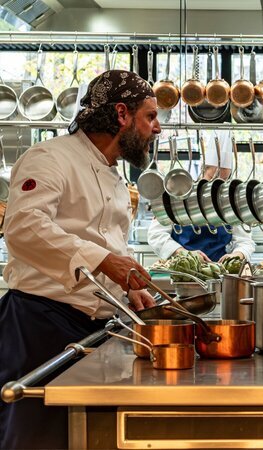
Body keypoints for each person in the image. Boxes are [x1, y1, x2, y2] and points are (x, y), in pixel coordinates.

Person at [0, 70, 159, 449]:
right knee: (34, 436)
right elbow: (23, 227)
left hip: (91, 325)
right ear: (122, 114)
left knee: (79, 437)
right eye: (150, 116)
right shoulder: (49, 158)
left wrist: (125, 288)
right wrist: (104, 262)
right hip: (38, 324)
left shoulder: (114, 175)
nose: (157, 129)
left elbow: (102, 241)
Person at [147, 131, 255, 263]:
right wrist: (183, 253)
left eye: (223, 180)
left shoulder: (232, 202)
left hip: (218, 271)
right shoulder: (179, 194)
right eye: (213, 178)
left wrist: (238, 254)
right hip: (183, 267)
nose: (217, 186)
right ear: (203, 172)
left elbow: (245, 241)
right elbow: (156, 235)